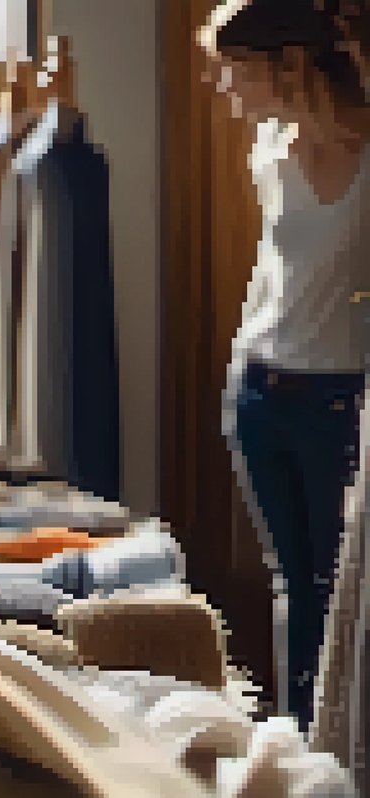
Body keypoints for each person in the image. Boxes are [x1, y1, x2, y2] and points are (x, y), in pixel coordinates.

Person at [202, 0, 370, 730]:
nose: (225, 87)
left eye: (234, 69)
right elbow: (273, 275)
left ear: (289, 63)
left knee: (340, 591)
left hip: (341, 399)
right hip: (260, 395)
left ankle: (335, 738)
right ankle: (296, 742)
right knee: (293, 586)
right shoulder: (267, 150)